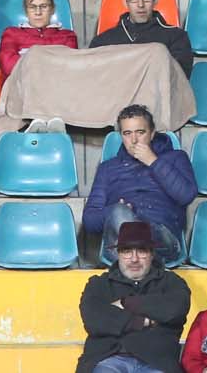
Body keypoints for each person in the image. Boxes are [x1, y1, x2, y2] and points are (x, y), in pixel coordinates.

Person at [83, 103, 199, 266]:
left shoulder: (176, 157)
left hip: (161, 240)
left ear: (152, 134)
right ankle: (137, 263)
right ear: (121, 136)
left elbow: (186, 195)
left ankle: (133, 267)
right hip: (120, 241)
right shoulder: (108, 168)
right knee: (120, 215)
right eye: (127, 133)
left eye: (140, 132)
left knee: (133, 233)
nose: (134, 140)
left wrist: (153, 161)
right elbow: (90, 221)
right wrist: (116, 211)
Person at [76, 218, 192, 373]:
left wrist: (126, 303)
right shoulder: (99, 284)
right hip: (107, 359)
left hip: (156, 362)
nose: (134, 259)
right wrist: (141, 321)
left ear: (151, 253)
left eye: (142, 251)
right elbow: (94, 319)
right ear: (118, 254)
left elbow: (175, 310)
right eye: (127, 251)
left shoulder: (171, 282)